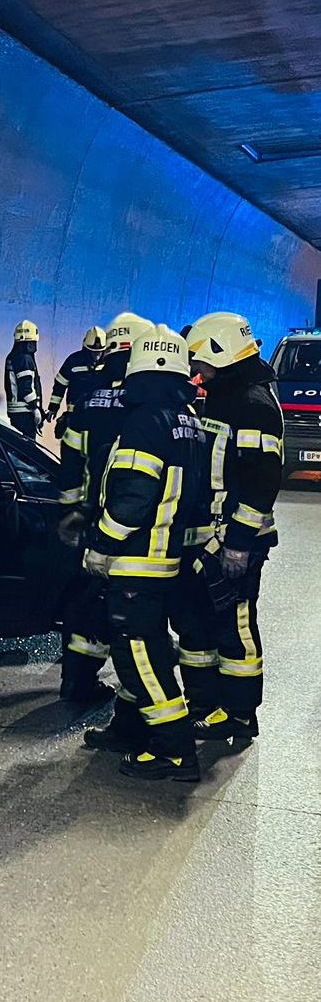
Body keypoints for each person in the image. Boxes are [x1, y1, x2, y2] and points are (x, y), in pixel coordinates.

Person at [82, 325, 207, 781]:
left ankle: (174, 750)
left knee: (140, 658)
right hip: (165, 559)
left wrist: (101, 544)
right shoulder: (186, 418)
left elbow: (134, 497)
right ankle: (129, 729)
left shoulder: (144, 420)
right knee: (144, 648)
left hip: (136, 562)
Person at [174, 312, 283, 747]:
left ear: (220, 351)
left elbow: (260, 482)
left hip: (238, 543)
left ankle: (239, 715)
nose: (196, 373)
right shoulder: (219, 396)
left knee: (235, 627)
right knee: (195, 625)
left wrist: (237, 545)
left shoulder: (254, 404)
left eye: (199, 362)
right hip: (204, 539)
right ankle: (203, 706)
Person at [54, 312, 155, 707]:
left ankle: (76, 685)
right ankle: (136, 702)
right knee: (134, 612)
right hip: (136, 525)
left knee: (87, 604)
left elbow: (71, 463)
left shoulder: (88, 399)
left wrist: (73, 509)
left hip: (94, 518)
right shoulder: (146, 400)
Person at [46, 325, 107, 437]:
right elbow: (60, 385)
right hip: (75, 416)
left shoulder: (108, 364)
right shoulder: (73, 361)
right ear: (86, 349)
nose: (97, 356)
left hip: (99, 417)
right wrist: (53, 408)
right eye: (93, 352)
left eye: (99, 352)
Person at [4, 320, 44, 439]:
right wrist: (35, 408)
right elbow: (26, 388)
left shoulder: (13, 356)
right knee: (28, 451)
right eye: (32, 343)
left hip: (16, 413)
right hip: (25, 413)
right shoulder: (24, 359)